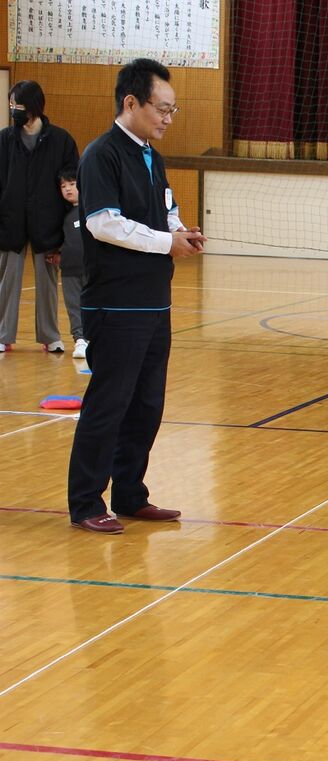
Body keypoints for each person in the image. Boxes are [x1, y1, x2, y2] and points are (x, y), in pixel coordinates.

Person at [67, 58, 206, 534]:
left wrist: (180, 232)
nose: (168, 118)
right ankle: (86, 501)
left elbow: (165, 210)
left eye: (172, 110)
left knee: (146, 405)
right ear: (131, 102)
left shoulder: (152, 156)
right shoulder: (101, 155)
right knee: (109, 404)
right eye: (162, 109)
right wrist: (167, 242)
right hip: (115, 304)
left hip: (154, 303)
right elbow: (103, 224)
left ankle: (130, 494)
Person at [0, 80, 79, 353]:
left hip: (48, 223)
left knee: (47, 282)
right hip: (10, 222)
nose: (14, 110)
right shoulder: (4, 140)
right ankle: (3, 335)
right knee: (7, 280)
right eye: (11, 105)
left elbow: (71, 183)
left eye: (18, 105)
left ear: (34, 106)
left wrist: (67, 224)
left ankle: (50, 335)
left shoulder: (61, 140)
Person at [50, 168, 88, 358]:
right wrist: (58, 253)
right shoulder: (64, 216)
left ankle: (95, 338)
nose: (67, 189)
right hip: (69, 270)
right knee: (74, 306)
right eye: (63, 186)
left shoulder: (92, 211)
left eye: (72, 184)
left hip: (91, 268)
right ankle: (80, 340)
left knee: (94, 304)